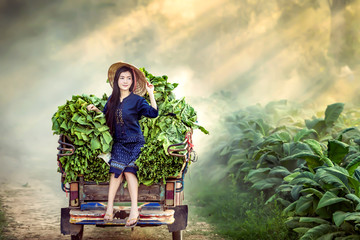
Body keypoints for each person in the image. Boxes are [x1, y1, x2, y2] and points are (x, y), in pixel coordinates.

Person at [87, 62, 158, 227]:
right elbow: (105, 117)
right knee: (115, 171)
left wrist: (151, 93)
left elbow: (153, 113)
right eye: (122, 78)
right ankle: (109, 209)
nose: (125, 81)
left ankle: (134, 210)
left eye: (128, 78)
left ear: (132, 82)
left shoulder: (137, 100)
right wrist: (96, 110)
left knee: (129, 171)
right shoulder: (111, 100)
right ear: (117, 80)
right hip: (119, 143)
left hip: (135, 143)